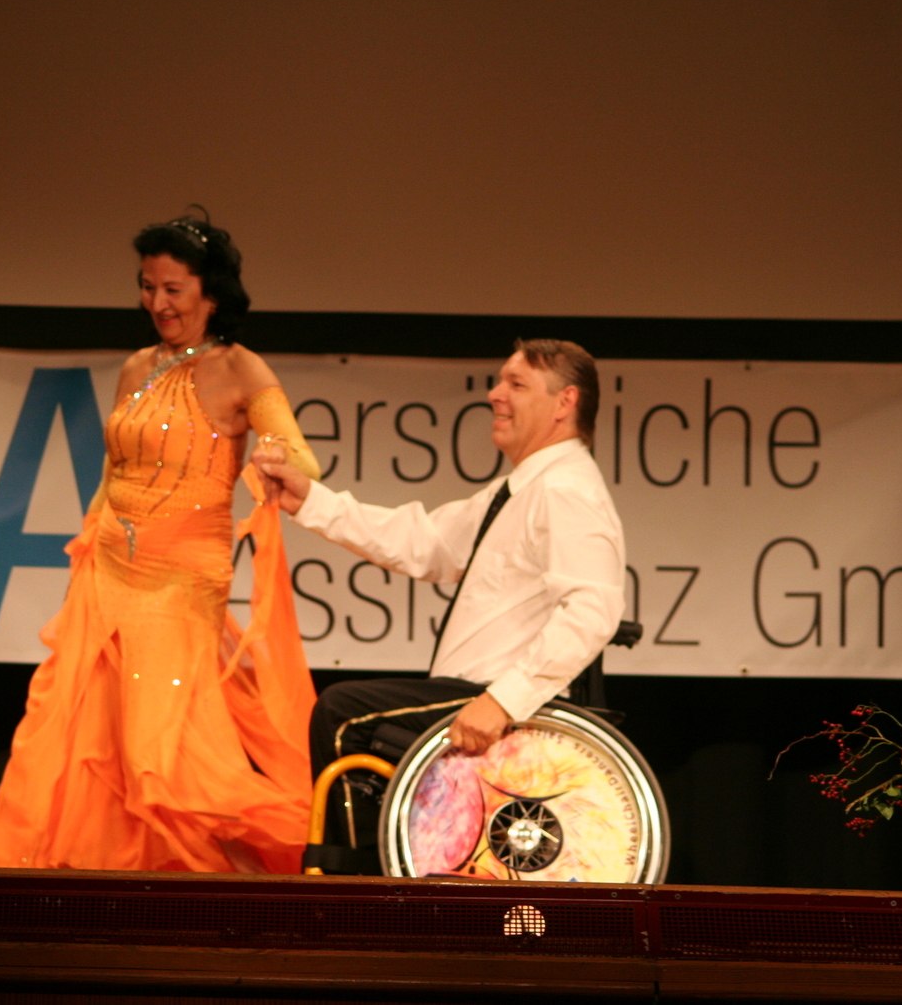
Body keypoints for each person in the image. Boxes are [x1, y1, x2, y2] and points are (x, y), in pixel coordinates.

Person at [0, 212, 323, 873]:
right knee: (85, 737)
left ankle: (214, 897)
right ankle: (103, 885)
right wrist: (86, 553)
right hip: (107, 573)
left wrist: (276, 453)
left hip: (181, 583)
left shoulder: (241, 368)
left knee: (159, 756)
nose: (157, 303)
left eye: (172, 289)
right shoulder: (138, 365)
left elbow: (303, 459)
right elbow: (113, 473)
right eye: (147, 287)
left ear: (210, 293)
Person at [251, 339, 625, 872]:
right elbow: (423, 542)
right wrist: (310, 501)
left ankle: (354, 885)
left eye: (516, 384)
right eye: (500, 381)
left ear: (565, 402)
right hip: (475, 693)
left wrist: (503, 701)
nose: (495, 394)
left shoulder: (565, 490)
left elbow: (592, 610)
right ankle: (372, 881)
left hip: (511, 704)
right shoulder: (521, 489)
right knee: (351, 713)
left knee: (344, 714)